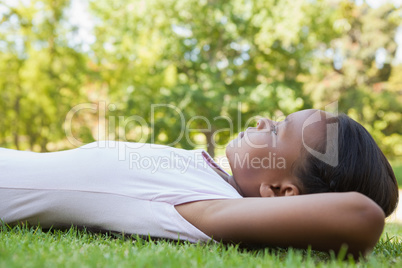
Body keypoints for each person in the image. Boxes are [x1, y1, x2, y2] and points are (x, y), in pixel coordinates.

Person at [0, 109, 398, 257]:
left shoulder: (209, 205)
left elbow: (362, 217)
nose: (262, 121)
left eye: (276, 131)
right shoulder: (208, 172)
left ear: (280, 193)